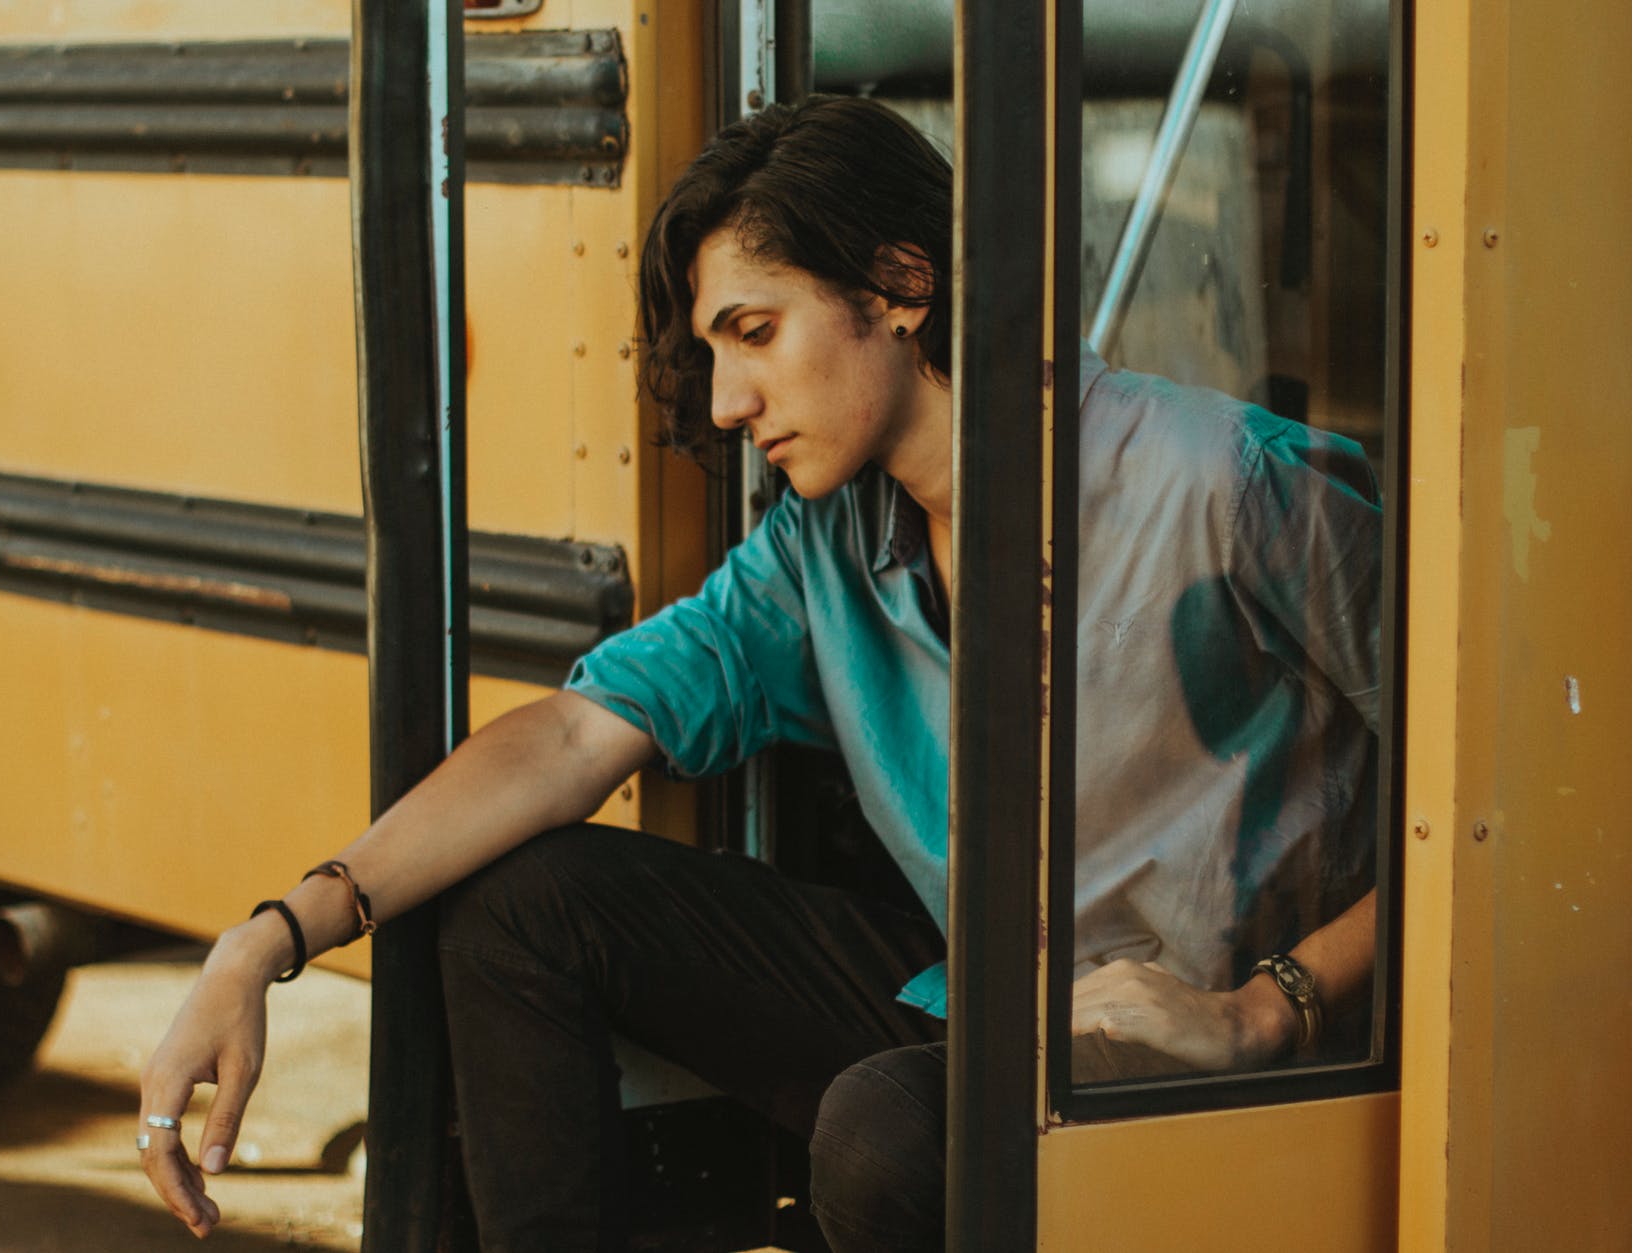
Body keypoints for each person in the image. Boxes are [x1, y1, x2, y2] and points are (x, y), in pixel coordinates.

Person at [138, 96, 1381, 1251]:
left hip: (1226, 1053)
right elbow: (576, 736)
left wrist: (1268, 1007)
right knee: (521, 903)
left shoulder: (1228, 481)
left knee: (886, 1128)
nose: (728, 400)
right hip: (994, 1002)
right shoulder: (822, 545)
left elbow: (1505, 799)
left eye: (754, 331)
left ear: (899, 285)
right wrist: (267, 938)